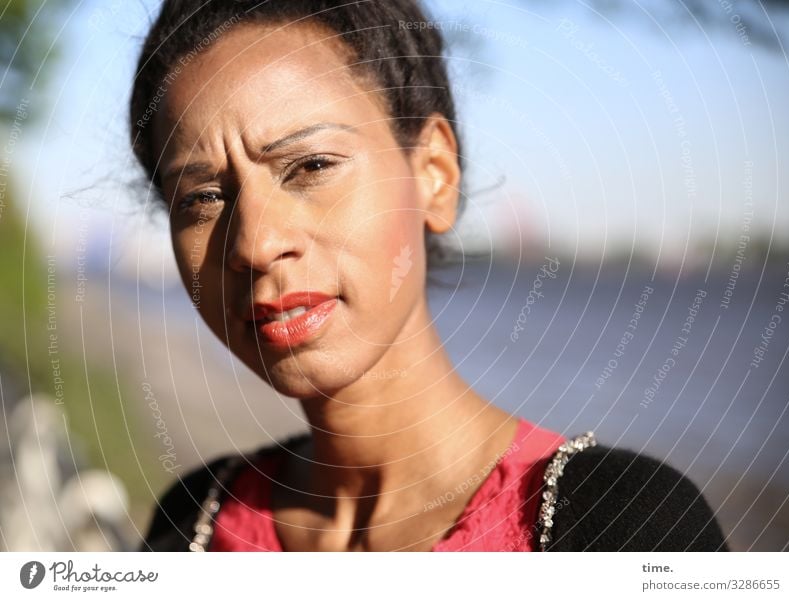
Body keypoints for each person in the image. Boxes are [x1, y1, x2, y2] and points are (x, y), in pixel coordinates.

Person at [129, 0, 727, 552]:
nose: (255, 244)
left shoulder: (623, 527)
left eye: (312, 165)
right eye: (202, 198)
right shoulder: (192, 524)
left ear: (433, 176)